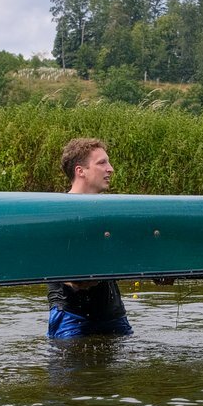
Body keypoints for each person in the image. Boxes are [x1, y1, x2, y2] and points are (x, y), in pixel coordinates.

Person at [46, 138, 133, 339]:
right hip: (70, 315)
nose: (110, 169)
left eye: (109, 162)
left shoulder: (112, 212)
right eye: (102, 163)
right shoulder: (55, 212)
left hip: (113, 314)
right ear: (80, 171)